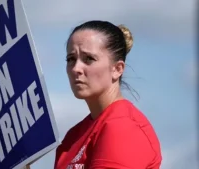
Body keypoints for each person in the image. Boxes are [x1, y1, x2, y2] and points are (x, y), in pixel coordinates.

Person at [53, 20, 162, 169]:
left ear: (117, 69)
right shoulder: (72, 137)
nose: (76, 68)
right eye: (71, 59)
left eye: (89, 59)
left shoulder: (122, 127)